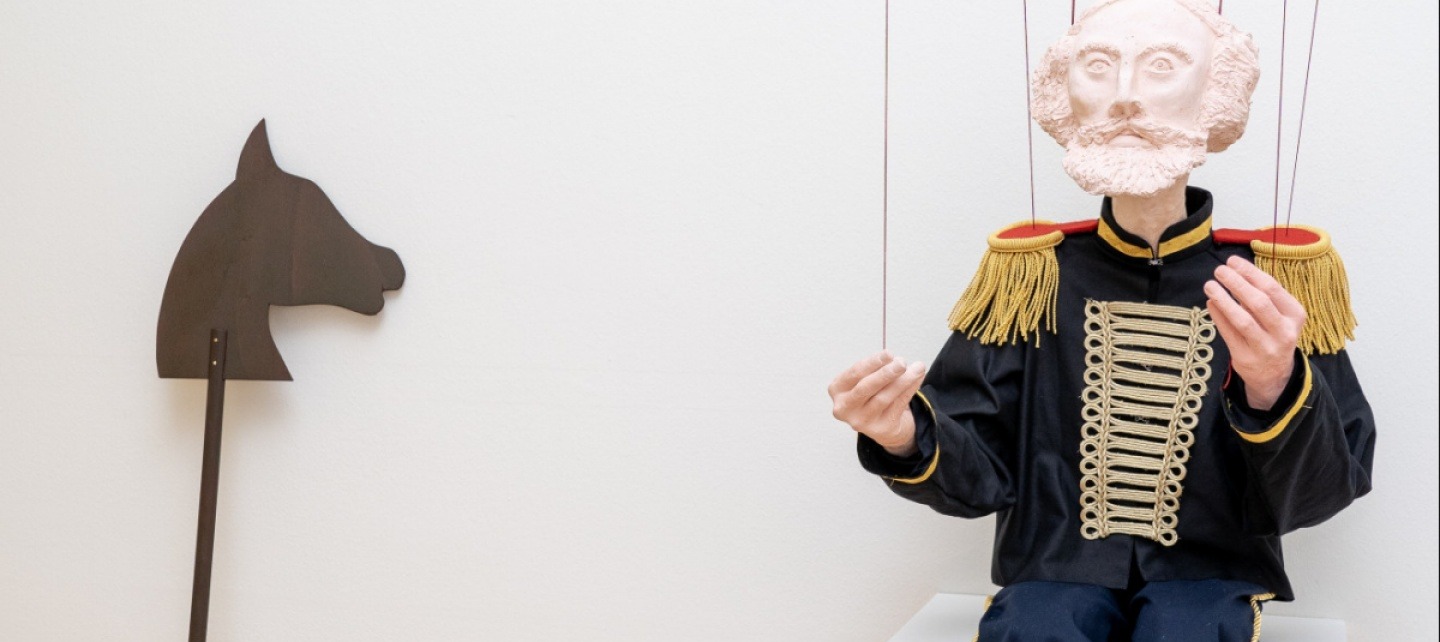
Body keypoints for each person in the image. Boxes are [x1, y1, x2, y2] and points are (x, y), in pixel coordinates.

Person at [828, 1, 1376, 640]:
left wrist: (1274, 387)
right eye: (1098, 66)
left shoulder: (1280, 277)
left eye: (1162, 66)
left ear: (1215, 94)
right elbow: (979, 473)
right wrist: (902, 434)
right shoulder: (1028, 276)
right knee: (1036, 630)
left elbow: (1324, 491)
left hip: (1209, 569)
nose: (1125, 96)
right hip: (1054, 564)